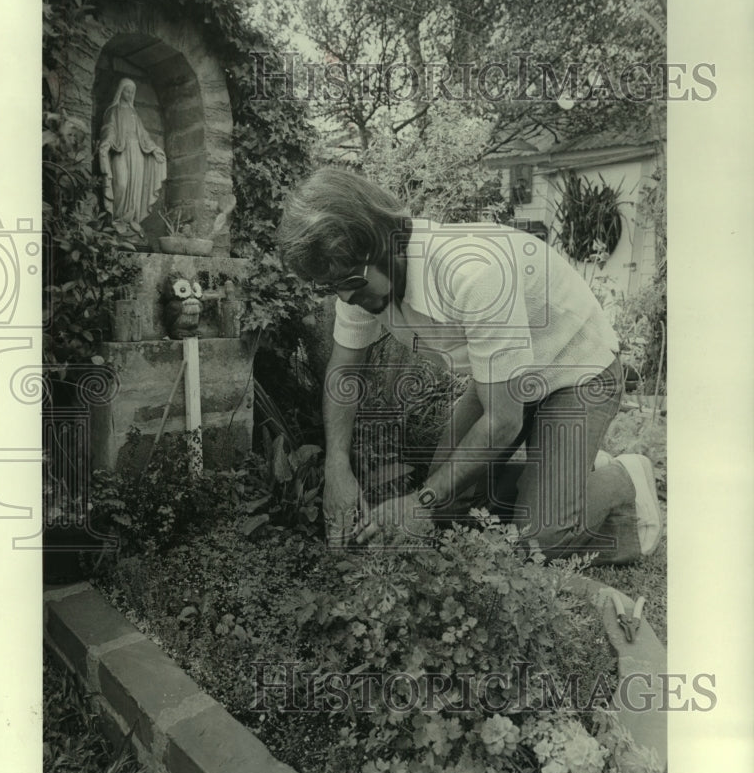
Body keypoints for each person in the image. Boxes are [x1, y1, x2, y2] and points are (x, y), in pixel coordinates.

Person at [277, 167, 661, 564]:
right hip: (502, 380)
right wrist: (336, 465)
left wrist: (418, 501)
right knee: (445, 511)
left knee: (537, 542)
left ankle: (623, 478)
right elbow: (344, 372)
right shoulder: (358, 284)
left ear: (380, 241)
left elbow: (503, 421)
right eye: (330, 286)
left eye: (352, 281)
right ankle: (562, 475)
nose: (344, 295)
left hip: (576, 370)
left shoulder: (471, 274)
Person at [98, 78, 167, 226]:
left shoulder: (134, 113)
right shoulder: (114, 111)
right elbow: (109, 128)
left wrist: (154, 149)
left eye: (132, 92)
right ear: (120, 91)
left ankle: (131, 221)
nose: (129, 94)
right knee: (121, 184)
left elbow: (143, 135)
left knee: (136, 187)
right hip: (120, 150)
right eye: (127, 91)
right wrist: (107, 142)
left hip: (137, 152)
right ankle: (117, 219)